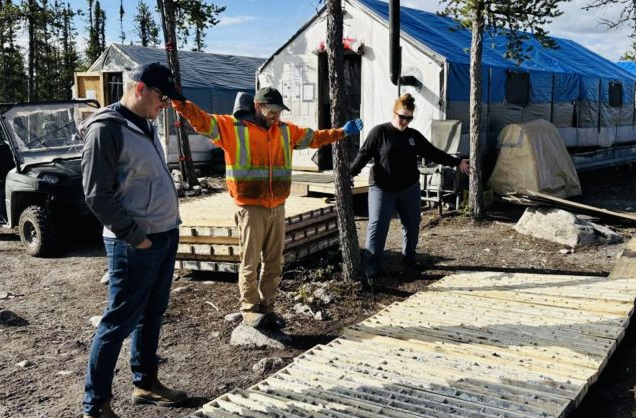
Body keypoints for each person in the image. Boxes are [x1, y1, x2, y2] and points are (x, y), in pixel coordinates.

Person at [173, 87, 363, 329]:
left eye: (279, 111)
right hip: (251, 208)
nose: (276, 116)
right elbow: (201, 121)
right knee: (250, 262)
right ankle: (250, 309)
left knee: (274, 262)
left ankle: (268, 307)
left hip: (277, 206)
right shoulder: (232, 128)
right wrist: (180, 103)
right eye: (271, 111)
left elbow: (314, 137)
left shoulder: (285, 131)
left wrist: (341, 133)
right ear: (257, 106)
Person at [79, 62, 187, 418]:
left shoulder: (145, 123)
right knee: (117, 322)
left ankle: (145, 383)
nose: (166, 105)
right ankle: (94, 410)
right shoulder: (106, 129)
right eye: (162, 97)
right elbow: (96, 193)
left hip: (163, 234)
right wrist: (134, 235)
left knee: (152, 313)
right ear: (140, 89)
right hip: (135, 243)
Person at [350, 93, 470, 277]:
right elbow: (363, 155)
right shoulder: (379, 132)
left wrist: (456, 162)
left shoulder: (413, 136)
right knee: (378, 225)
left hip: (409, 188)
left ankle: (409, 259)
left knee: (412, 224)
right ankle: (372, 265)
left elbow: (433, 152)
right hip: (382, 188)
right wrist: (349, 175)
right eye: (402, 117)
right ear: (394, 113)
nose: (405, 121)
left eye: (409, 118)